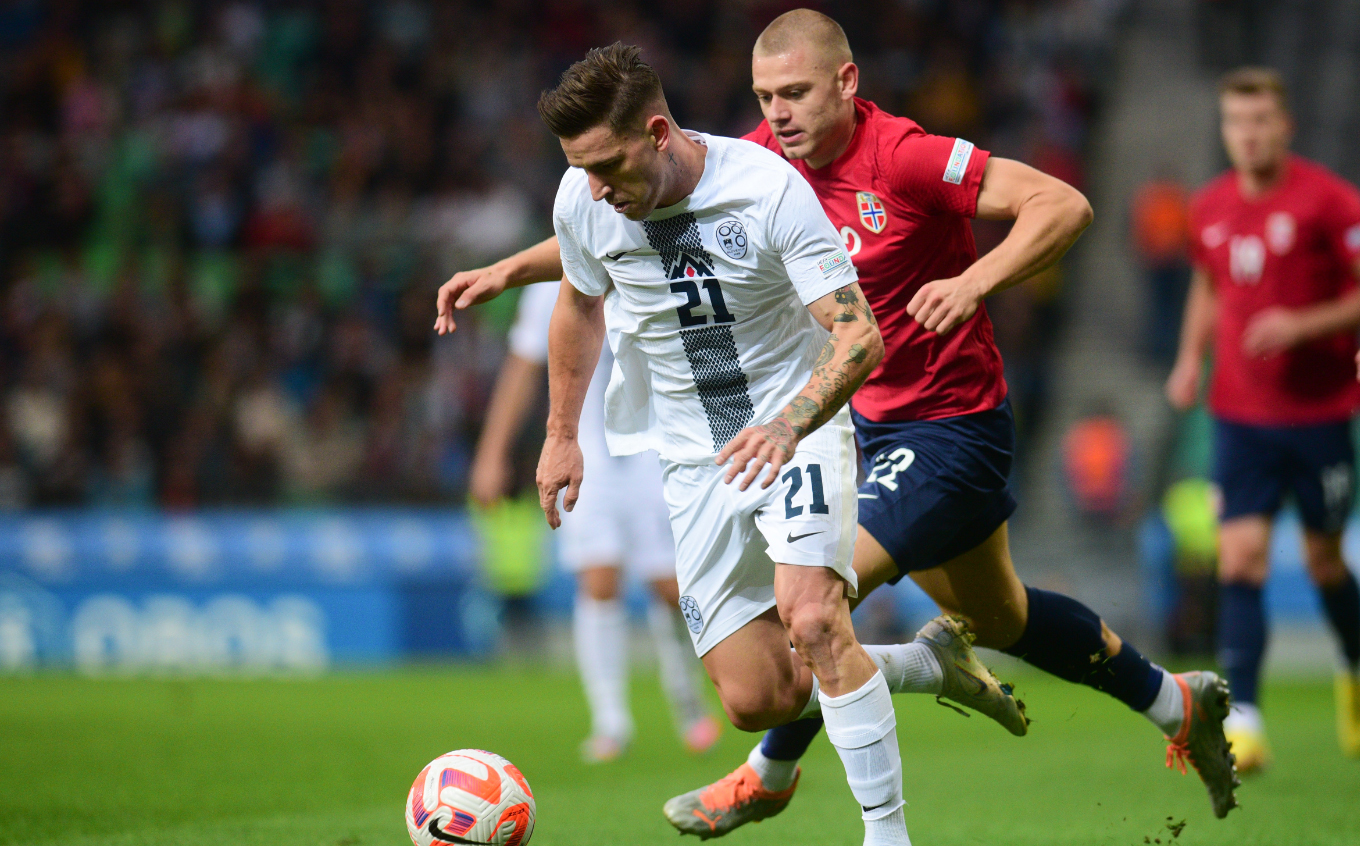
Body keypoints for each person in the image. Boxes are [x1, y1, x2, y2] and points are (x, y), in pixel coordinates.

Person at [440, 43, 1025, 846]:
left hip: (795, 436)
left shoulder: (765, 188)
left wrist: (791, 425)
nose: (598, 189)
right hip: (692, 463)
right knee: (761, 698)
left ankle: (887, 835)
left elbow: (858, 336)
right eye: (583, 171)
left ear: (655, 132)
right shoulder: (584, 199)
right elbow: (579, 302)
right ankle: (924, 666)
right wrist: (559, 436)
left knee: (815, 618)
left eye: (609, 165)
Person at [1166, 66, 1360, 772]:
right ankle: (1244, 719)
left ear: (1285, 126)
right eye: (1235, 123)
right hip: (1240, 414)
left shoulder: (1330, 202)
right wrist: (1190, 358)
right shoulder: (1211, 206)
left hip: (1320, 414)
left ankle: (1353, 665)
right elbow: (1209, 284)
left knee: (1323, 560)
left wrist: (1301, 324)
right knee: (1240, 558)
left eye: (1258, 122)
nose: (1246, 135)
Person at [470, 281, 722, 762]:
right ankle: (610, 723)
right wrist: (492, 452)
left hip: (658, 449)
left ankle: (689, 706)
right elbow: (521, 370)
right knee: (599, 579)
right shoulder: (550, 289)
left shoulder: (649, 261)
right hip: (585, 453)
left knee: (671, 587)